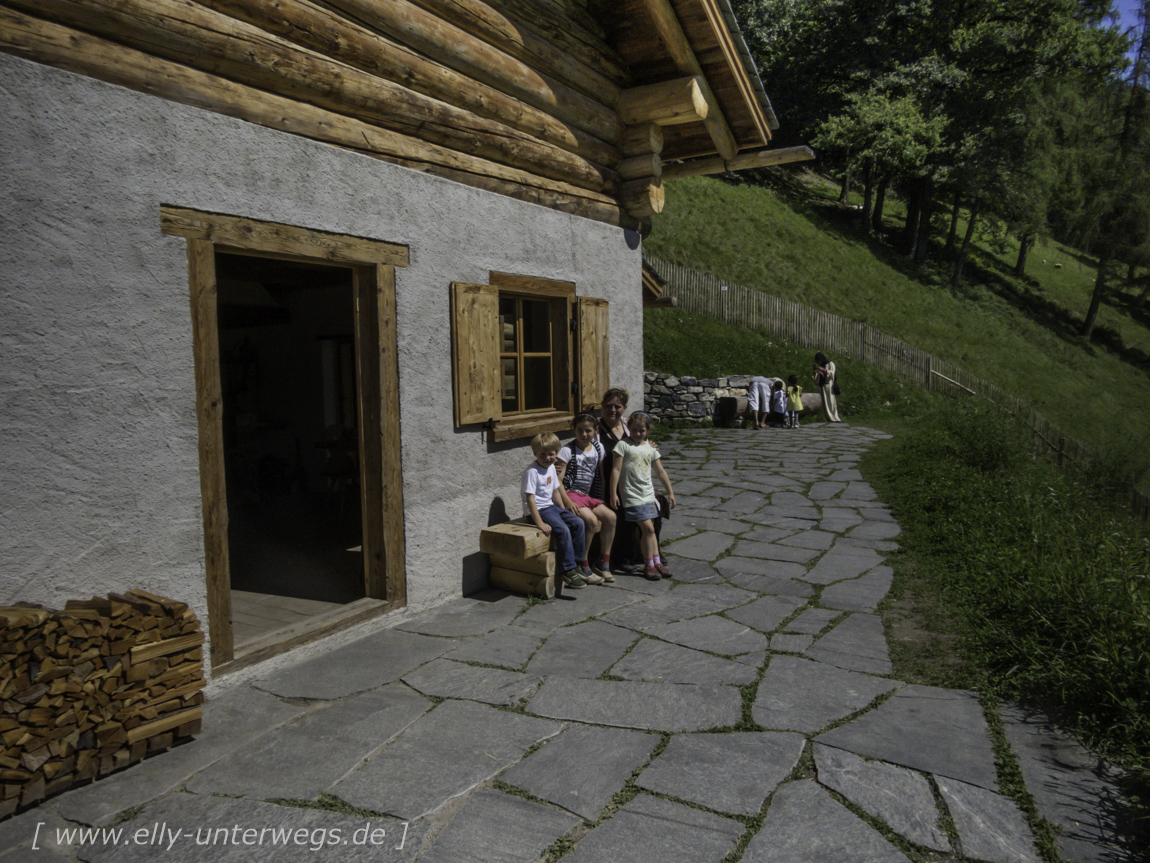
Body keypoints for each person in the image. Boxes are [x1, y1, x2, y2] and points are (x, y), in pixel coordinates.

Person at [597, 387, 663, 574]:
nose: (612, 410)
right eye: (608, 406)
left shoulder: (629, 425)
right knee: (622, 519)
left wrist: (650, 444)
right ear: (602, 406)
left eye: (617, 406)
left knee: (656, 515)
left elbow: (642, 444)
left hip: (633, 484)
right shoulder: (596, 429)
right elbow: (581, 444)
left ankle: (650, 556)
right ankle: (623, 558)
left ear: (624, 408)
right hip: (609, 484)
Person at [608, 413, 676, 580]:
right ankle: (649, 565)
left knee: (650, 531)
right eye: (634, 430)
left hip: (648, 495)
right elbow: (615, 470)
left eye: (642, 430)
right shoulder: (622, 445)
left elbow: (660, 471)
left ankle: (656, 561)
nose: (638, 434)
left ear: (648, 430)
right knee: (648, 529)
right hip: (632, 495)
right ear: (628, 429)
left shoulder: (649, 448)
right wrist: (612, 493)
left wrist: (671, 492)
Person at [522, 432, 587, 590]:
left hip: (552, 508)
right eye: (542, 454)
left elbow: (556, 492)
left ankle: (577, 562)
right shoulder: (532, 472)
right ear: (535, 454)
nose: (547, 458)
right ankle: (567, 569)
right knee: (563, 530)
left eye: (551, 454)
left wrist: (564, 512)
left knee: (578, 522)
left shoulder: (551, 468)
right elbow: (530, 499)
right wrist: (539, 523)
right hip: (539, 511)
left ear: (556, 453)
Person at [556, 413, 615, 583]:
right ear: (573, 430)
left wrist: (602, 497)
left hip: (588, 495)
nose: (584, 434)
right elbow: (558, 481)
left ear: (595, 430)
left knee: (611, 517)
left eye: (588, 430)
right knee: (590, 520)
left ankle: (603, 562)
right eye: (579, 430)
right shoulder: (567, 451)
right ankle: (583, 563)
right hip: (571, 494)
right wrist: (567, 501)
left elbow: (601, 475)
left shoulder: (598, 448)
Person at [814, 352, 842, 422]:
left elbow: (832, 374)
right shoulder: (820, 366)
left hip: (829, 385)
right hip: (822, 386)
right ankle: (826, 416)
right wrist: (815, 372)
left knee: (830, 401)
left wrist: (824, 370)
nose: (818, 362)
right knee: (824, 402)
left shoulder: (830, 364)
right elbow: (816, 379)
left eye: (818, 360)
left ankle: (834, 416)